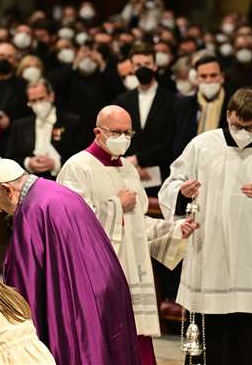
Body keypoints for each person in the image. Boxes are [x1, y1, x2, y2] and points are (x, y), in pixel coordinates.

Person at [159, 88, 252, 365]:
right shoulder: (202, 145)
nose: (242, 132)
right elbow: (171, 184)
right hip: (213, 254)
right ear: (228, 115)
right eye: (237, 125)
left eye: (250, 127)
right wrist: (183, 192)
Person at [57, 105, 198, 365]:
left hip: (131, 272)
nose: (123, 138)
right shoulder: (77, 167)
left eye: (127, 132)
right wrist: (115, 205)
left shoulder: (129, 170)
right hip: (97, 275)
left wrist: (175, 229)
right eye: (116, 132)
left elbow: (136, 226)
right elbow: (68, 223)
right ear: (98, 132)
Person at [0, 158, 140, 365]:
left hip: (75, 302)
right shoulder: (58, 191)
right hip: (103, 289)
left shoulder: (32, 211)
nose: (0, 210)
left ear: (7, 189)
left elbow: (24, 281)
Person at [114, 43, 176, 195]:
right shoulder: (122, 100)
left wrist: (139, 160)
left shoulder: (172, 100)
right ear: (132, 68)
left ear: (155, 66)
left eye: (147, 64)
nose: (143, 68)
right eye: (138, 64)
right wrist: (132, 165)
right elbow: (117, 136)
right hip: (127, 173)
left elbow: (170, 142)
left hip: (162, 175)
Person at [6, 79, 82, 179]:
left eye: (41, 99)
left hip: (62, 182)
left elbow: (81, 158)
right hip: (29, 183)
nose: (38, 104)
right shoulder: (19, 126)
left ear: (51, 96)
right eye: (33, 101)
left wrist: (56, 164)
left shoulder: (72, 122)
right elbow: (9, 159)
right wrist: (28, 163)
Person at [172, 55, 231, 159]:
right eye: (203, 76)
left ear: (222, 77)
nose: (208, 80)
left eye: (213, 75)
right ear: (197, 78)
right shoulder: (183, 106)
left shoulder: (232, 106)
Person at [0, 41, 29, 150]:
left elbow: (28, 115)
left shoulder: (24, 86)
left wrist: (10, 122)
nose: (4, 59)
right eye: (1, 55)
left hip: (12, 142)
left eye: (9, 57)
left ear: (16, 62)